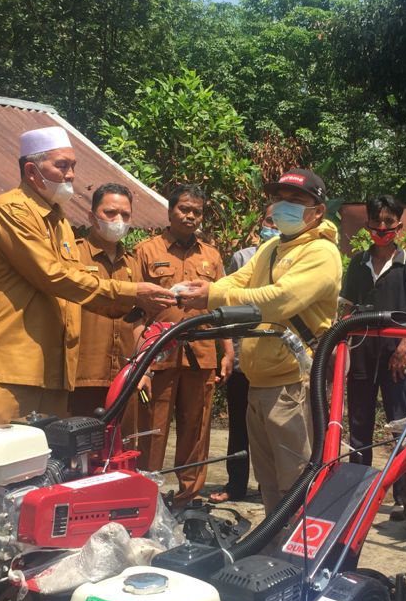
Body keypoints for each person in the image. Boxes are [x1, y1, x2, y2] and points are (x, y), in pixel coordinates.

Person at [0, 126, 174, 429]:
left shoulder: (60, 221)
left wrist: (137, 303)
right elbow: (53, 276)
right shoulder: (10, 209)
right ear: (32, 171)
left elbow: (74, 281)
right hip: (7, 366)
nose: (71, 174)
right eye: (62, 165)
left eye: (73, 165)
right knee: (1, 453)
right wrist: (132, 293)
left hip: (52, 370)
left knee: (47, 456)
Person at [180, 169, 342, 513]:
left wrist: (213, 296)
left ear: (318, 211)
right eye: (280, 198)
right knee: (269, 483)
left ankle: (299, 545)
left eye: (295, 200)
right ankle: (274, 543)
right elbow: (237, 281)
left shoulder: (321, 253)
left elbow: (280, 299)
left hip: (292, 385)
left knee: (296, 484)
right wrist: (204, 290)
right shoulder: (272, 247)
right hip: (259, 382)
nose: (284, 206)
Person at [133, 184, 234, 507]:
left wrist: (228, 351)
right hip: (157, 355)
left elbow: (222, 307)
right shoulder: (146, 251)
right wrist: (139, 360)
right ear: (170, 211)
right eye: (184, 209)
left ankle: (188, 498)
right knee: (151, 429)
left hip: (201, 356)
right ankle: (146, 497)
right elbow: (134, 310)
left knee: (197, 428)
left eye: (197, 212)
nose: (190, 216)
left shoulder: (211, 256)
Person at [340, 194, 406, 518]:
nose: (382, 228)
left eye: (388, 222)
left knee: (401, 423)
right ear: (367, 224)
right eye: (376, 221)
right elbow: (347, 309)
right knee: (359, 422)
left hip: (397, 354)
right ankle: (357, 489)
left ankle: (405, 495)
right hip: (362, 350)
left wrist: (405, 347)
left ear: (398, 226)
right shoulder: (357, 264)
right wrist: (342, 346)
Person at [209, 204, 278, 503]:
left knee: (272, 426)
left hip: (275, 359)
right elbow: (229, 304)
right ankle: (236, 484)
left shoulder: (294, 261)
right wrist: (230, 353)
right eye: (270, 220)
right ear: (260, 223)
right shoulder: (243, 258)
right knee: (239, 425)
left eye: (279, 221)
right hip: (243, 357)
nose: (274, 227)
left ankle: (269, 487)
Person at [69, 183, 141, 433]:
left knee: (121, 445)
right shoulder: (74, 255)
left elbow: (138, 319)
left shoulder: (132, 262)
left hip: (124, 377)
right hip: (81, 376)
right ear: (91, 216)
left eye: (125, 215)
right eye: (110, 213)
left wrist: (143, 369)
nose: (118, 220)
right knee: (80, 446)